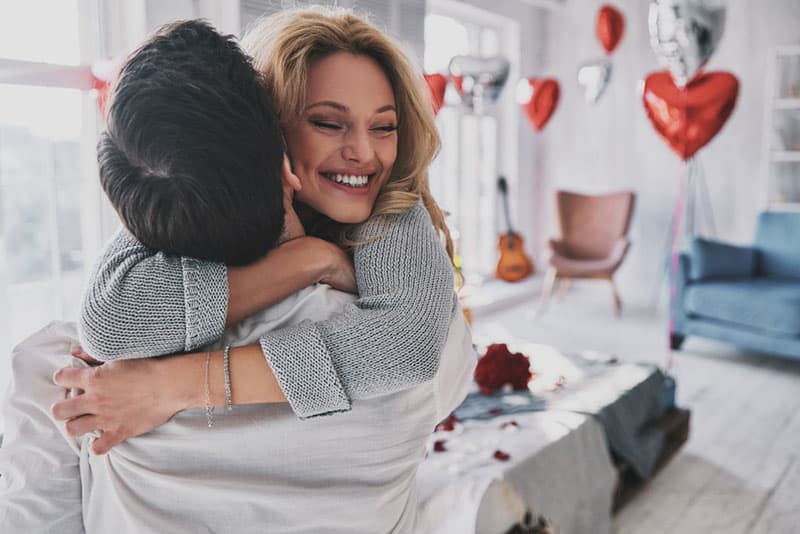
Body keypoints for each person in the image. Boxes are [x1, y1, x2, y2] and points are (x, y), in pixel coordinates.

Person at [0, 9, 475, 533]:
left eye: (385, 126)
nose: (363, 151)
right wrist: (309, 260)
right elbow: (113, 322)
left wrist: (170, 386)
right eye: (327, 122)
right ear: (269, 134)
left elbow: (405, 347)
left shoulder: (395, 218)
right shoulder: (185, 219)